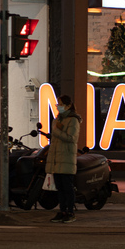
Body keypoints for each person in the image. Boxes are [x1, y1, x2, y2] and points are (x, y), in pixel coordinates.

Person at [49, 94, 81, 224]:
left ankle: (70, 212)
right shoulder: (58, 119)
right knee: (60, 187)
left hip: (66, 158)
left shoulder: (73, 120)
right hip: (57, 159)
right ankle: (62, 211)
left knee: (67, 187)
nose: (58, 107)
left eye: (61, 104)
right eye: (58, 104)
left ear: (68, 106)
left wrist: (56, 131)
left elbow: (72, 138)